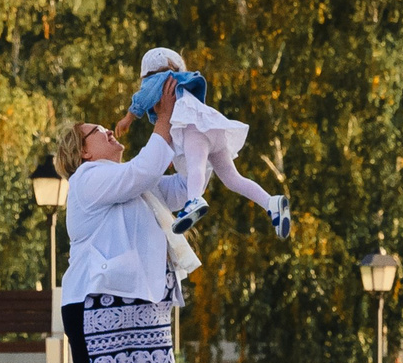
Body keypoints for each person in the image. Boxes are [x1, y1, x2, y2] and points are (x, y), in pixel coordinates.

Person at [52, 75, 190, 363]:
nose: (110, 132)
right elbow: (144, 170)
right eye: (97, 132)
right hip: (97, 307)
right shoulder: (91, 179)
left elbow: (184, 186)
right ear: (83, 153)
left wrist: (189, 129)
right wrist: (163, 120)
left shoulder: (135, 185)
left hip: (144, 306)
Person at [124, 46, 291, 239]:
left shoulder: (160, 81)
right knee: (232, 178)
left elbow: (142, 98)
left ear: (148, 74)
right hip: (214, 130)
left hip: (194, 129)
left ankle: (194, 201)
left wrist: (127, 119)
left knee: (196, 166)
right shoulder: (181, 82)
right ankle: (271, 203)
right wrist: (167, 152)